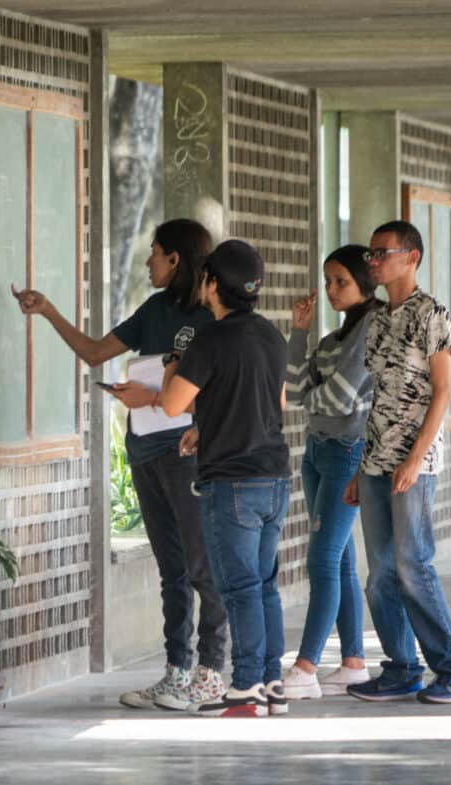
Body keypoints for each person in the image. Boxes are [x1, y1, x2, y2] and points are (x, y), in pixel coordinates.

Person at [13, 219, 228, 711]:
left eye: (154, 253)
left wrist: (154, 397)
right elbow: (93, 352)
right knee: (172, 567)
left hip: (188, 450)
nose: (148, 262)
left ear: (175, 259)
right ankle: (176, 671)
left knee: (200, 565)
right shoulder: (155, 309)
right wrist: (46, 310)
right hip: (145, 449)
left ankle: (211, 673)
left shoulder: (213, 317)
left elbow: (220, 397)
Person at [343, 220, 451, 704]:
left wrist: (415, 459)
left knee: (412, 564)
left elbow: (442, 392)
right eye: (371, 255)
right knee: (379, 571)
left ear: (412, 257)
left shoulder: (432, 313)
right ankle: (401, 668)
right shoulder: (376, 319)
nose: (373, 261)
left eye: (382, 253)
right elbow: (376, 397)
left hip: (414, 462)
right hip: (376, 458)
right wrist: (363, 466)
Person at [158, 239, 291, 718]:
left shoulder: (210, 339)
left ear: (213, 284)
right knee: (264, 584)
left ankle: (246, 685)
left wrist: (174, 361)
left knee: (238, 588)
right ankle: (272, 683)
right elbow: (270, 406)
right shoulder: (271, 336)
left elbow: (172, 401)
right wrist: (206, 425)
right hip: (275, 478)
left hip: (231, 482)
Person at [280, 245, 380, 700]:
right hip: (318, 450)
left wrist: (317, 392)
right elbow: (295, 389)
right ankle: (354, 662)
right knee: (337, 558)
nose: (331, 289)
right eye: (328, 281)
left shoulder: (372, 328)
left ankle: (305, 666)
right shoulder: (333, 340)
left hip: (347, 451)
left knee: (321, 559)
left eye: (341, 280)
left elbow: (336, 399)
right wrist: (299, 334)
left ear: (365, 280)